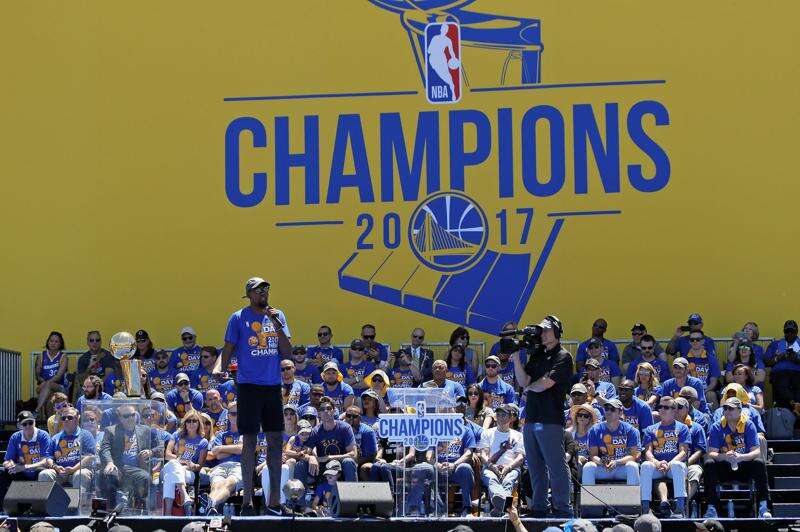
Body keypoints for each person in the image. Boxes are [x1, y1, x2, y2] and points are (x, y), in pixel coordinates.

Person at [213, 276, 292, 516]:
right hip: (248, 386)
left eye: (266, 288)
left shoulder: (278, 316)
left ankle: (275, 502)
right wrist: (219, 367)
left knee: (276, 441)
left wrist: (277, 324)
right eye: (258, 290)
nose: (264, 293)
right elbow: (227, 349)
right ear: (249, 294)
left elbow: (287, 352)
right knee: (249, 441)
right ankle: (247, 501)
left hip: (271, 386)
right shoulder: (238, 318)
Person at [511, 315, 574, 518]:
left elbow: (545, 383)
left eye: (547, 330)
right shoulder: (537, 355)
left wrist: (529, 387)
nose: (543, 333)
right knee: (535, 466)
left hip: (550, 419)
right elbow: (523, 380)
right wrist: (515, 357)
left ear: (556, 332)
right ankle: (539, 507)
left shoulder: (563, 356)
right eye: (542, 330)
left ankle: (562, 507)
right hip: (531, 417)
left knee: (556, 466)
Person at [703, 397, 771, 519]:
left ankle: (763, 506)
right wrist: (724, 456)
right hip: (725, 466)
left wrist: (741, 457)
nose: (727, 411)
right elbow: (712, 453)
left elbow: (756, 451)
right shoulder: (716, 427)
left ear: (739, 411)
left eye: (731, 409)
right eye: (725, 408)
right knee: (709, 464)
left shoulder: (748, 425)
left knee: (759, 463)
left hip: (743, 466)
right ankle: (711, 507)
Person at [409, 413, 476, 517]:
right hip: (438, 469)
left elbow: (468, 453)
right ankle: (418, 509)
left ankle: (466, 508)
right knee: (422, 468)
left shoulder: (466, 431)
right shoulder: (436, 431)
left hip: (456, 469)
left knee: (465, 467)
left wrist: (454, 464)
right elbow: (429, 456)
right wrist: (438, 465)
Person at [99, 403, 163, 510]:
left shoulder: (145, 430)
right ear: (119, 417)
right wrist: (110, 462)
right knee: (109, 477)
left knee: (146, 477)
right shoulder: (111, 430)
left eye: (133, 415)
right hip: (118, 467)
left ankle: (144, 510)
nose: (130, 418)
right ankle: (111, 511)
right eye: (126, 416)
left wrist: (151, 451)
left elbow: (161, 446)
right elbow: (104, 449)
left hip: (138, 467)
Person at [640, 396, 690, 518]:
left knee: (678, 465)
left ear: (674, 410)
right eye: (660, 407)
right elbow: (647, 452)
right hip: (657, 467)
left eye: (666, 407)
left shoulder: (682, 428)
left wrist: (669, 463)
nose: (662, 410)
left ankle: (679, 508)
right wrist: (657, 463)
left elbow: (683, 452)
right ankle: (645, 508)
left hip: (673, 467)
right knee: (646, 465)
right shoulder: (650, 429)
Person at [294, 400, 358, 483]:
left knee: (348, 461)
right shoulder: (315, 431)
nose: (325, 411)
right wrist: (311, 457)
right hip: (322, 467)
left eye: (328, 408)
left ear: (334, 411)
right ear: (319, 413)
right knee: (301, 464)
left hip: (341, 466)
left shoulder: (345, 428)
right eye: (322, 409)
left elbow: (353, 454)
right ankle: (298, 494)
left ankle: (352, 494)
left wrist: (329, 457)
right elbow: (303, 453)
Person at [479, 404, 525, 516]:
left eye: (503, 414)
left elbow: (520, 457)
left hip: (511, 468)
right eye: (498, 414)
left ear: (511, 417)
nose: (500, 417)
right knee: (491, 478)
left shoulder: (518, 435)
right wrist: (491, 466)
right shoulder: (487, 433)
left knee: (508, 480)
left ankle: (499, 508)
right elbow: (483, 454)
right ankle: (506, 509)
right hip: (490, 467)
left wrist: (508, 467)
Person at [582, 399, 640, 486]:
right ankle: (588, 500)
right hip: (603, 467)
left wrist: (617, 462)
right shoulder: (595, 430)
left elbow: (633, 456)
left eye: (612, 409)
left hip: (621, 466)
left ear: (620, 412)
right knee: (588, 467)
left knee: (632, 466)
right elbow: (593, 455)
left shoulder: (630, 430)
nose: (608, 412)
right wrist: (602, 462)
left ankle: (633, 499)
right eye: (606, 409)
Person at [39, 406, 95, 497]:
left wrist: (73, 469)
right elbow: (48, 457)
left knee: (81, 474)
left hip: (78, 470)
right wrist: (55, 467)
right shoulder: (56, 438)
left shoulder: (86, 435)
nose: (66, 420)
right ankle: (48, 508)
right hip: (59, 472)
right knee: (44, 474)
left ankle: (77, 507)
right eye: (63, 418)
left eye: (69, 418)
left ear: (77, 419)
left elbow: (89, 457)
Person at [0, 411, 53, 503]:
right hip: (22, 474)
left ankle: (40, 506)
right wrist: (10, 464)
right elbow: (7, 460)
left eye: (30, 423)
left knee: (42, 472)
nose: (28, 426)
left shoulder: (43, 435)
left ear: (35, 422)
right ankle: (3, 508)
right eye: (24, 424)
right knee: (2, 472)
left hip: (38, 472)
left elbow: (46, 461)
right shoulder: (15, 437)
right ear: (19, 426)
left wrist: (24, 467)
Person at [161, 410, 208, 514]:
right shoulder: (177, 435)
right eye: (188, 421)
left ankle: (167, 515)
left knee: (170, 474)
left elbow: (199, 466)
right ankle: (184, 496)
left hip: (188, 471)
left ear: (198, 423)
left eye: (194, 421)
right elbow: (167, 455)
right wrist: (184, 460)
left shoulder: (203, 441)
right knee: (173, 464)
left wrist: (190, 465)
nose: (191, 423)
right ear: (185, 423)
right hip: (174, 466)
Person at [205, 401, 242, 515]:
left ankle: (211, 504)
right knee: (216, 486)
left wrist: (222, 448)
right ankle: (211, 507)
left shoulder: (246, 433)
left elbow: (241, 449)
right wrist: (235, 450)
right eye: (232, 413)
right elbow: (218, 455)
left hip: (239, 466)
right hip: (220, 466)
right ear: (228, 415)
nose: (235, 415)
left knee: (229, 484)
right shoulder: (220, 435)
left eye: (238, 413)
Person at [673, 397, 706, 509]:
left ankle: (683, 503)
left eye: (680, 407)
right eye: (674, 407)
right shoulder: (665, 426)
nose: (676, 409)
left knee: (696, 472)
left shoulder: (696, 427)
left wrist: (686, 463)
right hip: (669, 464)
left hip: (690, 464)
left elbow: (699, 451)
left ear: (687, 409)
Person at [763, 319, 800, 411]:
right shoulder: (775, 344)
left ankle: (795, 405)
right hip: (780, 373)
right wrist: (777, 358)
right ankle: (794, 404)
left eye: (792, 332)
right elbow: (766, 361)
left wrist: (797, 359)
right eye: (787, 332)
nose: (790, 334)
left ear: (797, 332)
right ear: (784, 332)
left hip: (798, 373)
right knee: (781, 382)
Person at [683, 331, 722, 407]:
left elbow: (713, 383)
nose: (695, 341)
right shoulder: (684, 359)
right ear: (689, 342)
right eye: (692, 339)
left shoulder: (711, 359)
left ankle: (715, 417)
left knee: (711, 395)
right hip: (688, 390)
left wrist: (702, 392)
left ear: (703, 341)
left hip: (706, 390)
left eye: (698, 339)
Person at [35, 332, 68, 416]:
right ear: (48, 342)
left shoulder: (63, 357)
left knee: (49, 385)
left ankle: (37, 410)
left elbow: (58, 376)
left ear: (60, 344)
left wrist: (47, 383)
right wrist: (44, 383)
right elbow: (37, 376)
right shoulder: (41, 356)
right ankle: (50, 422)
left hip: (60, 387)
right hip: (44, 387)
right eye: (51, 341)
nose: (53, 343)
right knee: (50, 396)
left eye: (56, 341)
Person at [343, 406, 378, 479]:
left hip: (361, 461)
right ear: (345, 416)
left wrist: (354, 462)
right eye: (348, 416)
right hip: (343, 460)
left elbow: (371, 455)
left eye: (355, 416)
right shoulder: (339, 429)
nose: (351, 418)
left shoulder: (367, 431)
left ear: (360, 418)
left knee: (351, 464)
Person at [567, 404, 597, 469]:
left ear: (590, 418)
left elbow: (595, 455)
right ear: (576, 417)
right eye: (579, 415)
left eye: (586, 416)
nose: (582, 418)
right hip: (572, 464)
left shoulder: (595, 433)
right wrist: (577, 458)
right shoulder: (568, 432)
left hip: (589, 465)